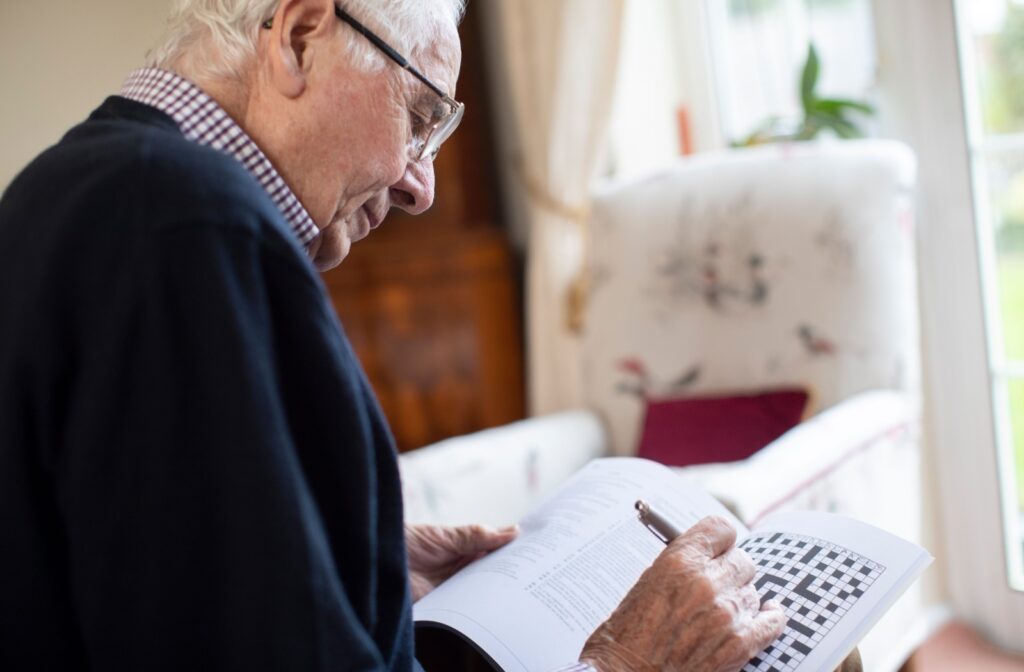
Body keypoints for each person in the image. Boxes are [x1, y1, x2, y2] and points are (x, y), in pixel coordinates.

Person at [0, 0, 788, 670]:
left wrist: (348, 557)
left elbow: (154, 578)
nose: (422, 186)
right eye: (418, 118)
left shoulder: (81, 187)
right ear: (302, 35)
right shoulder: (187, 222)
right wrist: (620, 660)